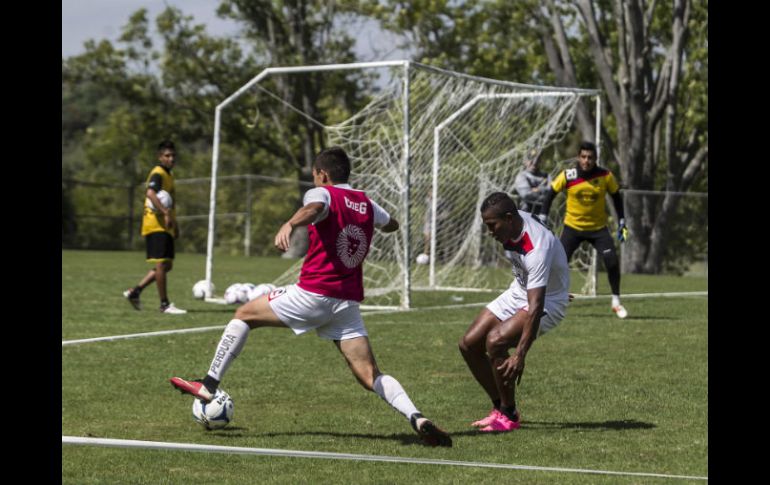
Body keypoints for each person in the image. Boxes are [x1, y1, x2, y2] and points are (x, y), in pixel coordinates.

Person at [170, 147, 452, 447]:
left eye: (316, 177)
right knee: (370, 374)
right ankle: (417, 418)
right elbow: (391, 224)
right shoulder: (366, 203)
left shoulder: (324, 194)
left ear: (323, 175)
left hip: (313, 294)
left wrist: (291, 223)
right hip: (346, 305)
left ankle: (208, 384)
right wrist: (374, 223)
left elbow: (315, 208)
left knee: (243, 315)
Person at [458, 192, 570, 432]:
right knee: (468, 344)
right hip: (522, 289)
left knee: (496, 341)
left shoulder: (536, 246)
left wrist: (520, 354)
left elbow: (536, 304)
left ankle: (509, 415)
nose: (490, 231)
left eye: (492, 225)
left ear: (509, 218)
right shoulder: (512, 225)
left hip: (548, 301)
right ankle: (499, 407)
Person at [541, 141, 628, 318]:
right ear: (579, 158)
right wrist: (543, 216)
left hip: (598, 229)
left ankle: (616, 302)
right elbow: (550, 194)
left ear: (595, 159)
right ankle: (547, 301)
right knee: (556, 264)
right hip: (572, 228)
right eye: (583, 157)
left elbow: (617, 197)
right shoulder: (569, 175)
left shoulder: (605, 176)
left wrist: (622, 222)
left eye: (590, 157)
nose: (586, 160)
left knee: (611, 261)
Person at [123, 140, 187, 314]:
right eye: (167, 155)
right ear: (160, 157)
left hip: (165, 226)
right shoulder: (158, 173)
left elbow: (170, 202)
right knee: (161, 264)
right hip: (155, 224)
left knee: (167, 265)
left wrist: (175, 224)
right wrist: (166, 213)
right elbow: (150, 193)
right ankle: (164, 304)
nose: (171, 158)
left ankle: (135, 292)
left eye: (173, 155)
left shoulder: (169, 175)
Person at [513, 148, 550, 222]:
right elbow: (527, 195)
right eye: (531, 159)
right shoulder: (522, 176)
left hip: (543, 219)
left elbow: (552, 193)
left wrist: (537, 190)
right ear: (525, 161)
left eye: (537, 159)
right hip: (525, 220)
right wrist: (544, 190)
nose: (534, 162)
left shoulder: (546, 176)